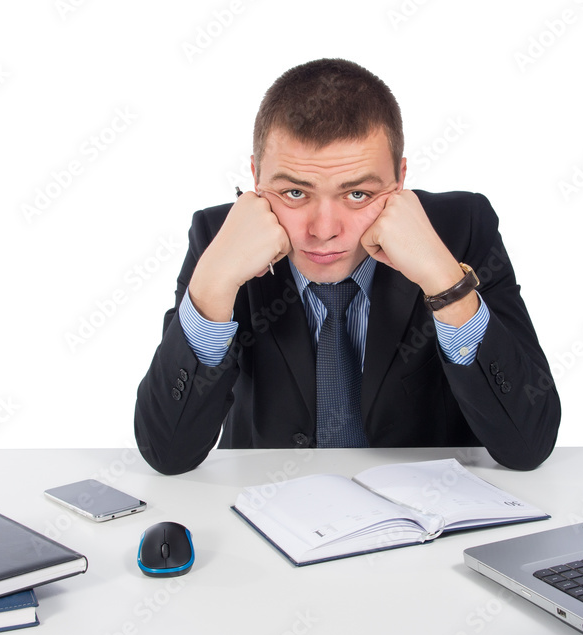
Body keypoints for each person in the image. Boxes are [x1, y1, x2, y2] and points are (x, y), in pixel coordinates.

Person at [134, 58, 560, 475]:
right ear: (255, 178)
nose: (324, 230)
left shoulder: (461, 227)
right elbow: (168, 453)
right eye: (295, 193)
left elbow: (529, 444)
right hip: (268, 519)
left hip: (426, 521)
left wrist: (445, 281)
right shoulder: (219, 237)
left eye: (357, 194)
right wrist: (213, 283)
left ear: (399, 180)